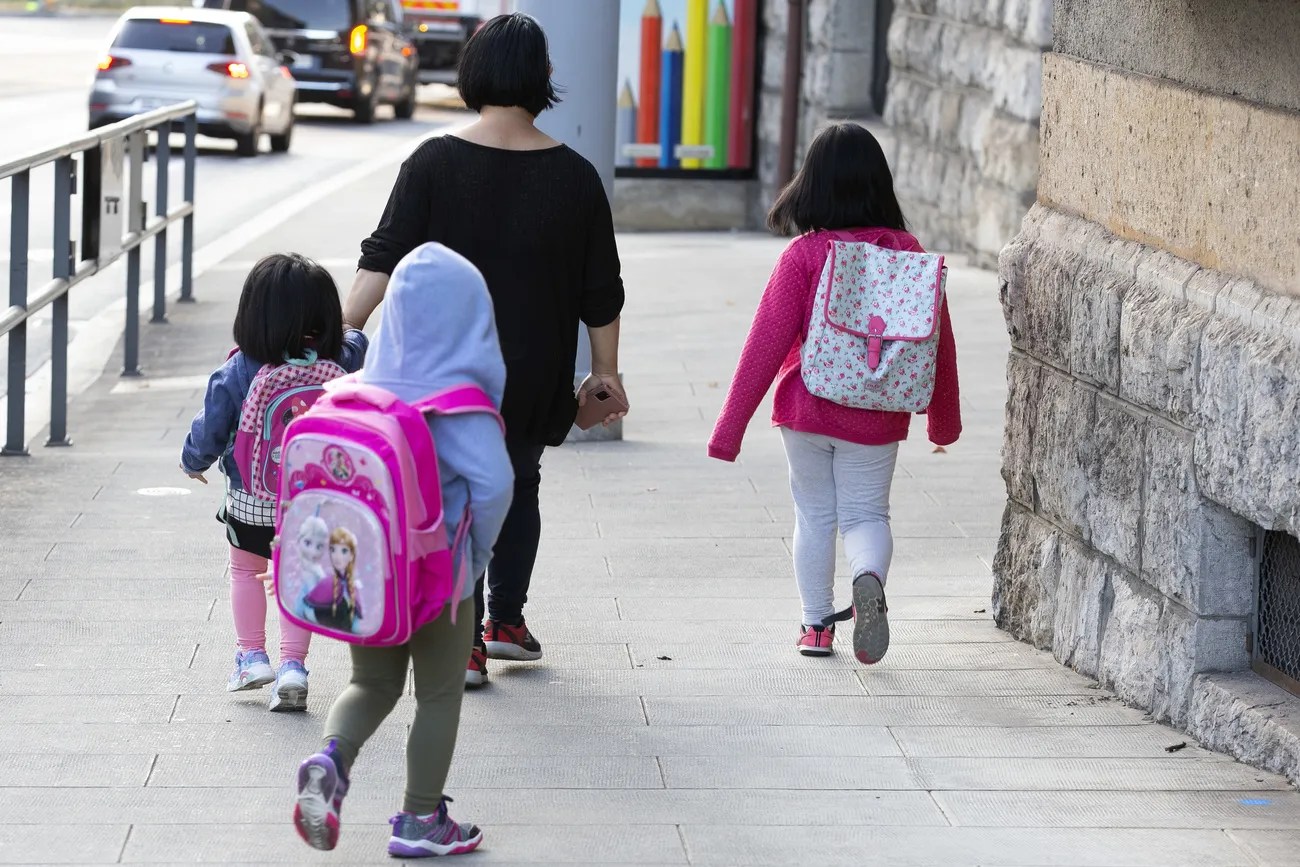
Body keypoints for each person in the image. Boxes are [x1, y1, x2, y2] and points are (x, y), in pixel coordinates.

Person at [341, 12, 627, 687]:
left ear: (472, 75)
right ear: (544, 80)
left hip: (440, 376)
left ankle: (462, 638)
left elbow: (378, 264)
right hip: (531, 376)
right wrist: (606, 373)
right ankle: (505, 621)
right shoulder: (577, 177)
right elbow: (601, 292)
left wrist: (334, 340)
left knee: (448, 494)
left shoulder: (433, 163)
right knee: (519, 482)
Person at [707, 122, 961, 663]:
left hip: (807, 409)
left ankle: (816, 626)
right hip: (878, 414)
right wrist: (944, 420)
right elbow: (940, 341)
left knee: (814, 516)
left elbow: (765, 343)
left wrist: (729, 431)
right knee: (868, 514)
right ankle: (868, 578)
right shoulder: (908, 252)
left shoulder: (804, 255)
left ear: (811, 183)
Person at [292, 243, 514, 858]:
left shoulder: (358, 391)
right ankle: (420, 821)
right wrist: (473, 558)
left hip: (366, 576)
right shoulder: (461, 405)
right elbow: (495, 487)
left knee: (371, 686)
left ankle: (331, 760)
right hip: (441, 579)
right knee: (438, 696)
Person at [180, 254, 368, 711]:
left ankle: (251, 657)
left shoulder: (241, 367)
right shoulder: (343, 356)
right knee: (298, 574)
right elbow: (359, 341)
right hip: (316, 501)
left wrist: (193, 461)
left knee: (246, 570)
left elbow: (213, 426)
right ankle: (292, 666)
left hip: (252, 499)